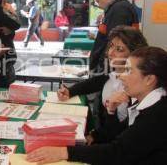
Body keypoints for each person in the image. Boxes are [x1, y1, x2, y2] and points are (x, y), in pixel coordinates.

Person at [27, 46, 167, 165]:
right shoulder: (145, 103)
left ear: (149, 79)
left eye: (129, 71)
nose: (122, 76)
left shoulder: (157, 114)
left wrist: (65, 152)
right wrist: (111, 112)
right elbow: (117, 136)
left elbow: (117, 152)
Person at [58, 26, 148, 144]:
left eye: (119, 49)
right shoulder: (112, 74)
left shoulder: (135, 90)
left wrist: (95, 136)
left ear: (134, 55)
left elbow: (120, 134)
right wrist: (70, 91)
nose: (110, 53)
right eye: (111, 46)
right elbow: (94, 83)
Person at [89, 0, 139, 74]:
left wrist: (103, 66)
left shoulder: (119, 9)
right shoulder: (117, 8)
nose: (99, 5)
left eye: (98, 1)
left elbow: (114, 41)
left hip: (111, 67)